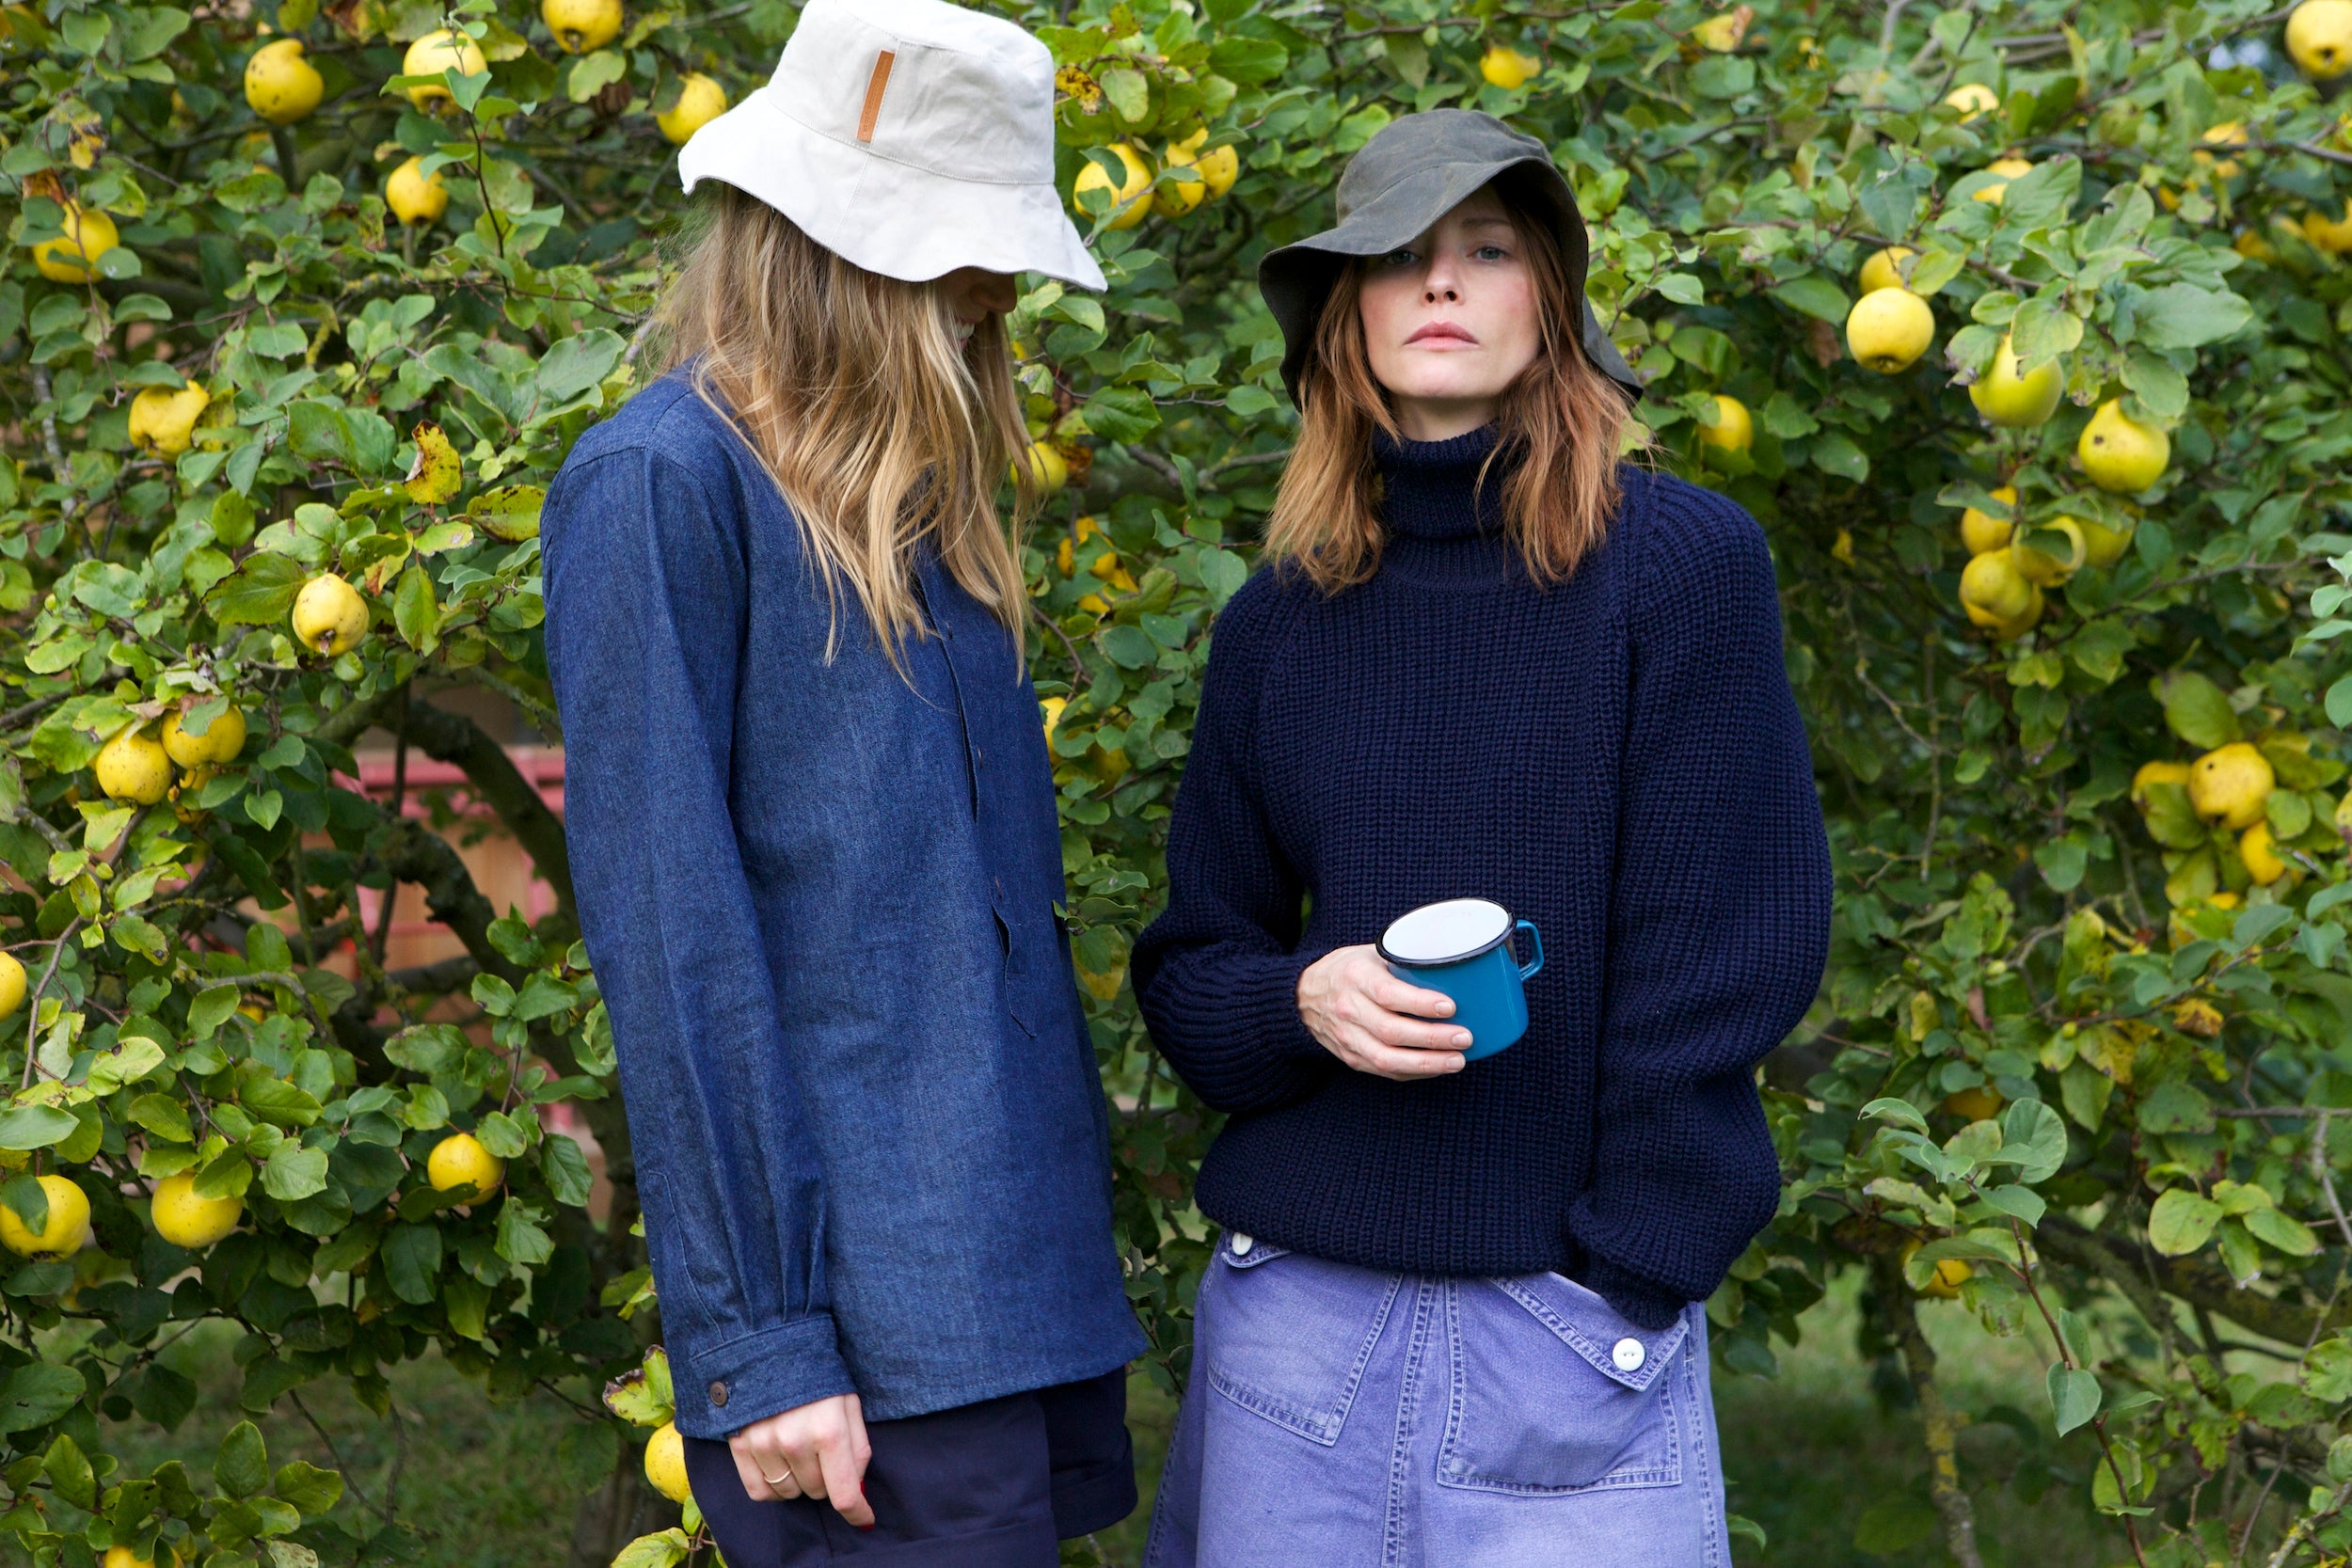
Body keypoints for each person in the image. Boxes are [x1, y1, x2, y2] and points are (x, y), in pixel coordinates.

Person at [1131, 110, 1833, 1566]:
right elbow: (1197, 964)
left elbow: (1726, 953)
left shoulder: (1681, 570)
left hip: (1568, 1328)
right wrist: (1298, 997)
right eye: (1399, 256)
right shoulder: (1281, 617)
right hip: (1295, 1330)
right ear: (1349, 317)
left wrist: (1628, 1275)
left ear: (1551, 298)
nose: (1441, 283)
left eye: (1488, 249)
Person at [539, 1, 1145, 1562]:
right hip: (867, 1340)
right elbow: (681, 952)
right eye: (966, 254)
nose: (1000, 290)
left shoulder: (921, 507)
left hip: (1009, 1294)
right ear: (849, 251)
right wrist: (772, 1346)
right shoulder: (664, 485)